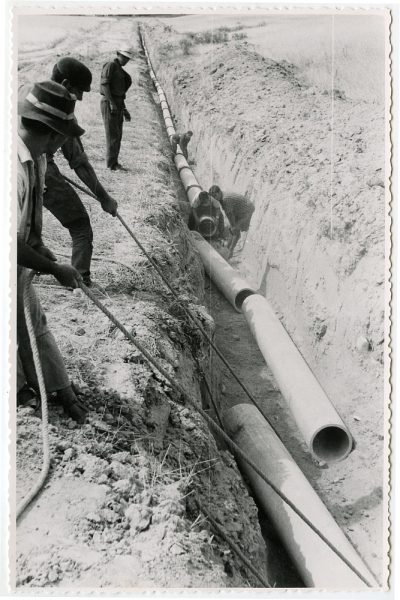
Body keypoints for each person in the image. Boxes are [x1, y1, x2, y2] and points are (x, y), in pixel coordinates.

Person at [17, 80, 88, 423]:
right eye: (64, 137)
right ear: (54, 134)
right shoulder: (12, 169)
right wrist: (55, 269)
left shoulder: (37, 160)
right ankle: (20, 391)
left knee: (32, 318)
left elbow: (27, 227)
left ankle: (57, 387)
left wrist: (41, 249)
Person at [42, 57, 117, 287]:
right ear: (65, 83)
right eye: (79, 91)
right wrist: (104, 198)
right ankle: (78, 278)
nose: (82, 98)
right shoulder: (64, 113)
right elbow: (79, 163)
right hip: (39, 167)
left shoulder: (31, 96)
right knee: (80, 225)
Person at [100, 49, 134, 170]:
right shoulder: (111, 66)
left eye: (128, 58)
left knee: (118, 134)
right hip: (109, 102)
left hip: (118, 103)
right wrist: (111, 103)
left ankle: (115, 163)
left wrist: (124, 109)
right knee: (112, 134)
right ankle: (111, 165)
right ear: (118, 55)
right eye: (124, 57)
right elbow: (104, 85)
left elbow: (120, 92)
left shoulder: (121, 71)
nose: (126, 60)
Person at [209, 185, 255, 258]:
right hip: (241, 208)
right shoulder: (222, 196)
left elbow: (230, 215)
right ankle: (227, 248)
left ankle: (230, 252)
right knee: (232, 229)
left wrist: (233, 226)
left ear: (219, 192)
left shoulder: (225, 200)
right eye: (213, 197)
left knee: (235, 229)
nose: (215, 198)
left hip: (246, 210)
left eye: (215, 195)